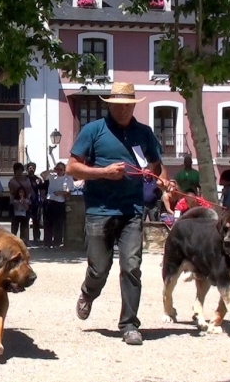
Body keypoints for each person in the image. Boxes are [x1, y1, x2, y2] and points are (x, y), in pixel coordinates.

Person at [67, 82, 168, 346]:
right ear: (109, 105)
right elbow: (72, 168)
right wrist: (103, 173)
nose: (123, 110)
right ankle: (88, 293)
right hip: (99, 210)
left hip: (132, 211)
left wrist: (163, 183)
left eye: (127, 106)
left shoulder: (144, 133)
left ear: (134, 105)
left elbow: (157, 166)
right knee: (99, 269)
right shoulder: (93, 131)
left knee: (132, 266)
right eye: (118, 106)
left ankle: (130, 325)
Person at [41, 162, 73, 249]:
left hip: (60, 202)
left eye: (61, 169)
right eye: (57, 169)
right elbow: (43, 175)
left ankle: (57, 243)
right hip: (50, 201)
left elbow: (68, 192)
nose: (59, 171)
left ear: (64, 170)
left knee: (58, 224)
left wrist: (60, 193)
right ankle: (47, 243)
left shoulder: (68, 178)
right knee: (48, 223)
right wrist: (51, 170)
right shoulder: (52, 176)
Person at [26, 162, 44, 243]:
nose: (31, 169)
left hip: (36, 202)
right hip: (26, 202)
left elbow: (42, 190)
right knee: (25, 221)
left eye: (33, 168)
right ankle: (25, 238)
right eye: (30, 168)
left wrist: (39, 183)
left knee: (36, 221)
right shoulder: (25, 179)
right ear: (27, 169)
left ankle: (36, 237)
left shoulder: (38, 179)